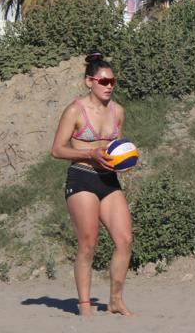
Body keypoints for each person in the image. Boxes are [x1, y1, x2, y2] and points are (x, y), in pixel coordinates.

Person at [50, 53, 134, 317]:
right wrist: (89, 153)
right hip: (82, 176)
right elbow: (57, 150)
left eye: (113, 81)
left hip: (108, 180)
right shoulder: (75, 110)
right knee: (88, 243)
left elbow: (116, 148)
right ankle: (85, 306)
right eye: (104, 81)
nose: (109, 86)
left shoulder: (118, 111)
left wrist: (126, 160)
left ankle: (116, 300)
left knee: (125, 240)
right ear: (90, 81)